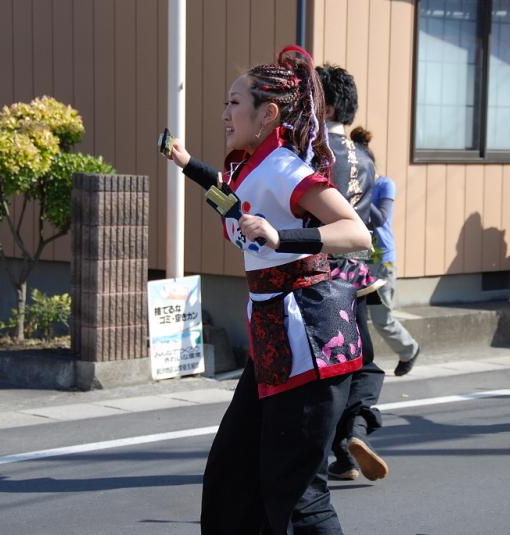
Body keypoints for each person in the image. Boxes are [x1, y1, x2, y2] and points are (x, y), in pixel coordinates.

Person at [167, 45, 372, 534]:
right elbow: (231, 200)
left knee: (297, 494)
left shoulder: (284, 167)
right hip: (275, 342)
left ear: (268, 114)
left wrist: (284, 236)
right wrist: (186, 162)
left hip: (310, 344)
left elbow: (355, 233)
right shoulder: (250, 167)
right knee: (231, 479)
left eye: (234, 103)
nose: (224, 114)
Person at [315, 64, 389, 483]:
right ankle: (352, 440)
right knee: (362, 363)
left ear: (325, 104)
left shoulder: (313, 153)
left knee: (325, 367)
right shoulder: (365, 157)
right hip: (357, 274)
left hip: (319, 272)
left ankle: (326, 449)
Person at [350, 126, 421, 376]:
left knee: (381, 318)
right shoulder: (352, 187)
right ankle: (354, 365)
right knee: (352, 316)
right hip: (357, 258)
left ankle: (408, 349)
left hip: (382, 261)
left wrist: (362, 194)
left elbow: (380, 219)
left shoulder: (384, 185)